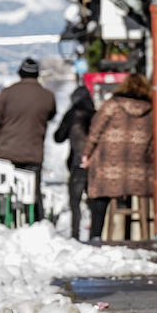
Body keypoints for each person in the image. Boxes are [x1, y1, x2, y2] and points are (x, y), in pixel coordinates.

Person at [83, 73, 154, 241]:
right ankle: (141, 235)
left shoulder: (112, 105)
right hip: (139, 170)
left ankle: (96, 235)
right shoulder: (151, 108)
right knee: (130, 189)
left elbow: (95, 131)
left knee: (100, 195)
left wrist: (86, 153)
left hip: (109, 166)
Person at [0, 57, 56, 210]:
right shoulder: (47, 96)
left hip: (7, 152)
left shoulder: (7, 93)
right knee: (32, 192)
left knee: (6, 193)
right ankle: (34, 223)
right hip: (33, 152)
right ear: (37, 74)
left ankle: (5, 222)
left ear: (20, 73)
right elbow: (51, 115)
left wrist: (0, 139)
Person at [53, 83, 96, 240]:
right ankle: (94, 235)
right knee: (93, 201)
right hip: (94, 164)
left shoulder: (72, 114)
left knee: (75, 202)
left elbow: (58, 137)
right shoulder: (95, 115)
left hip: (76, 163)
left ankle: (75, 235)